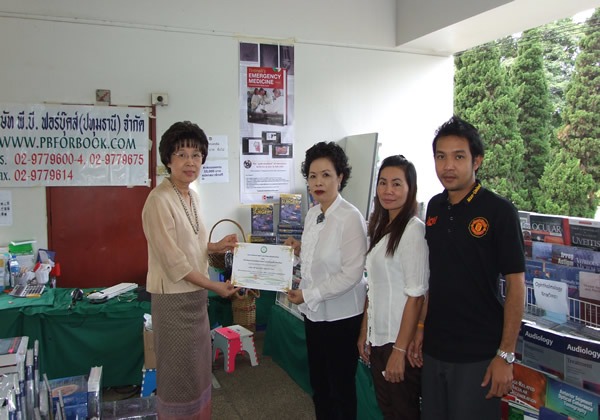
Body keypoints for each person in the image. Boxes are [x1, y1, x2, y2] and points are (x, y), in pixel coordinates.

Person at [410, 116, 525, 419]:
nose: (448, 166)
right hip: (435, 349)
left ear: (477, 161)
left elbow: (516, 285)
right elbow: (435, 276)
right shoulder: (434, 207)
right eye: (441, 157)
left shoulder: (499, 211)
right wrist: (421, 328)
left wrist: (505, 354)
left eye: (458, 157)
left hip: (478, 354)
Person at [142, 121, 240, 419]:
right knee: (178, 377)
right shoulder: (158, 200)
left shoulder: (192, 195)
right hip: (173, 303)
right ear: (168, 159)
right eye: (182, 154)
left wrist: (216, 246)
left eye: (196, 155)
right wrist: (216, 286)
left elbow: (190, 244)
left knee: (197, 372)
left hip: (196, 300)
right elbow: (175, 262)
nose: (190, 162)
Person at [284, 141, 368, 420]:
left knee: (340, 388)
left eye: (326, 175)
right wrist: (297, 252)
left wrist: (308, 294)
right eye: (312, 176)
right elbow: (314, 260)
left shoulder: (350, 217)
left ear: (340, 177)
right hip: (314, 315)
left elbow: (352, 273)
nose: (318, 182)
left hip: (342, 317)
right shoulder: (313, 213)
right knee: (319, 384)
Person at [357, 155, 429, 419]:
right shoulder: (382, 227)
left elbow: (417, 295)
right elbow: (373, 288)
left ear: (410, 189)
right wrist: (365, 332)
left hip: (399, 342)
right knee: (389, 409)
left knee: (403, 411)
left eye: (397, 184)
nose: (388, 190)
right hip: (380, 339)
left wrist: (399, 351)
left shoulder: (413, 230)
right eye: (383, 182)